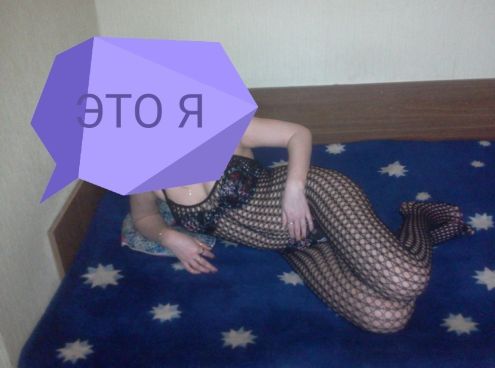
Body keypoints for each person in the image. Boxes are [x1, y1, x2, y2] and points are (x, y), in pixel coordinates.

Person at [129, 117, 474, 333]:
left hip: (316, 200)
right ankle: (399, 235)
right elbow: (144, 217)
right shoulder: (144, 172)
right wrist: (168, 236)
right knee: (386, 319)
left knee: (407, 280)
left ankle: (418, 215)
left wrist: (295, 188)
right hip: (293, 243)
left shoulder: (219, 125)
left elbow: (297, 133)